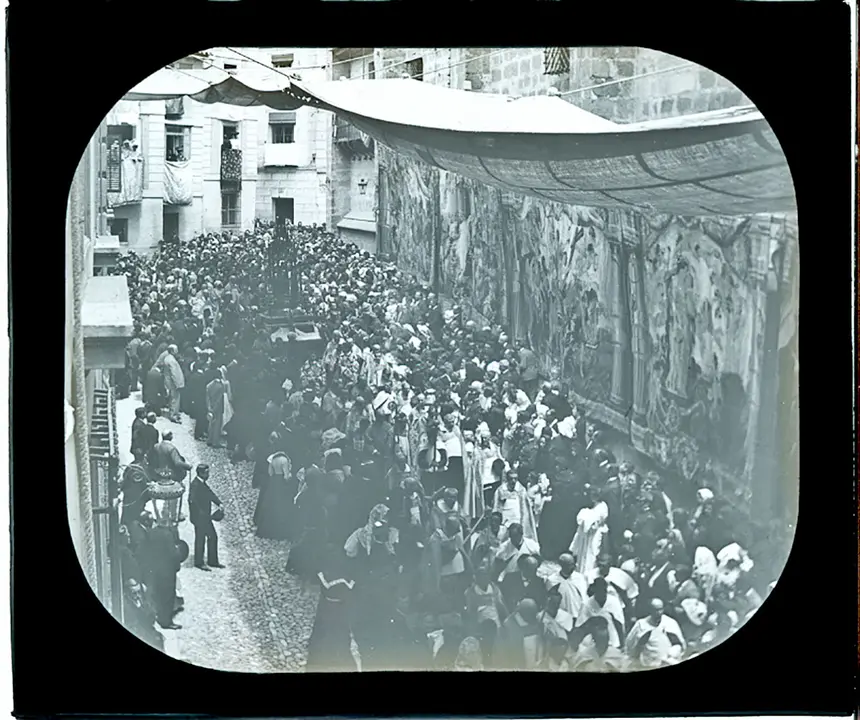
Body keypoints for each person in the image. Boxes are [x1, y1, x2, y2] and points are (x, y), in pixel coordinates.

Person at [306, 546, 357, 672]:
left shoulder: (324, 573)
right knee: (339, 633)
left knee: (325, 632)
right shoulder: (348, 576)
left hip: (327, 605)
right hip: (340, 607)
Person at [145, 514, 183, 630]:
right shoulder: (167, 535)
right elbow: (173, 554)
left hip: (155, 568)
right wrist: (177, 565)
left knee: (158, 593)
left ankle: (159, 615)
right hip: (167, 570)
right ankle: (166, 621)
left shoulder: (151, 532)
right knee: (168, 596)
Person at [625, 598, 686, 670]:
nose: (659, 612)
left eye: (661, 609)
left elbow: (680, 644)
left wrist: (674, 652)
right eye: (656, 610)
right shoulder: (641, 625)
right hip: (648, 665)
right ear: (650, 610)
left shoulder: (670, 623)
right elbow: (630, 645)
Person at [148, 430, 191, 524]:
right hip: (171, 476)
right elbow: (177, 463)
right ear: (170, 436)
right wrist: (188, 466)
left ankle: (158, 513)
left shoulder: (156, 446)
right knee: (175, 494)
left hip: (158, 474)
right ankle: (174, 515)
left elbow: (150, 458)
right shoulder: (171, 449)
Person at [253, 449, 297, 540]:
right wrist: (290, 477)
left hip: (273, 483)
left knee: (270, 504)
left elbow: (270, 473)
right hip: (281, 484)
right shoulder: (284, 460)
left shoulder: (273, 458)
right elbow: (286, 476)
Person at [188, 464, 224, 571]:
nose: (208, 475)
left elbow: (210, 494)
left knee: (212, 537)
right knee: (201, 539)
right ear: (201, 473)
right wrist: (200, 513)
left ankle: (212, 561)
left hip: (205, 517)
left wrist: (219, 503)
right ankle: (199, 562)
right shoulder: (195, 485)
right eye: (207, 473)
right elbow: (191, 500)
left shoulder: (202, 483)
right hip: (199, 518)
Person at [494, 598, 545, 670]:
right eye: (532, 616)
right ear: (523, 614)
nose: (534, 618)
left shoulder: (535, 620)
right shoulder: (508, 627)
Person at [120, 448, 152, 528]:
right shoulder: (142, 467)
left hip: (130, 497)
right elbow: (146, 481)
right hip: (137, 497)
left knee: (128, 514)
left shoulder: (131, 466)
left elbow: (124, 479)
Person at [161, 344, 186, 422]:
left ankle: (173, 413)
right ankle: (173, 415)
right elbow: (174, 373)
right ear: (172, 351)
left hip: (169, 381)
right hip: (173, 383)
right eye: (176, 350)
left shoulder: (167, 358)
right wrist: (177, 383)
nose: (177, 352)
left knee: (172, 398)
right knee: (175, 399)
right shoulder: (171, 360)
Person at [206, 368, 229, 448]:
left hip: (210, 407)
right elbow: (219, 400)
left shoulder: (209, 385)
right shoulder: (221, 386)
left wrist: (209, 408)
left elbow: (207, 398)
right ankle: (215, 442)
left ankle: (209, 440)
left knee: (211, 424)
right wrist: (214, 409)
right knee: (217, 425)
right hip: (217, 409)